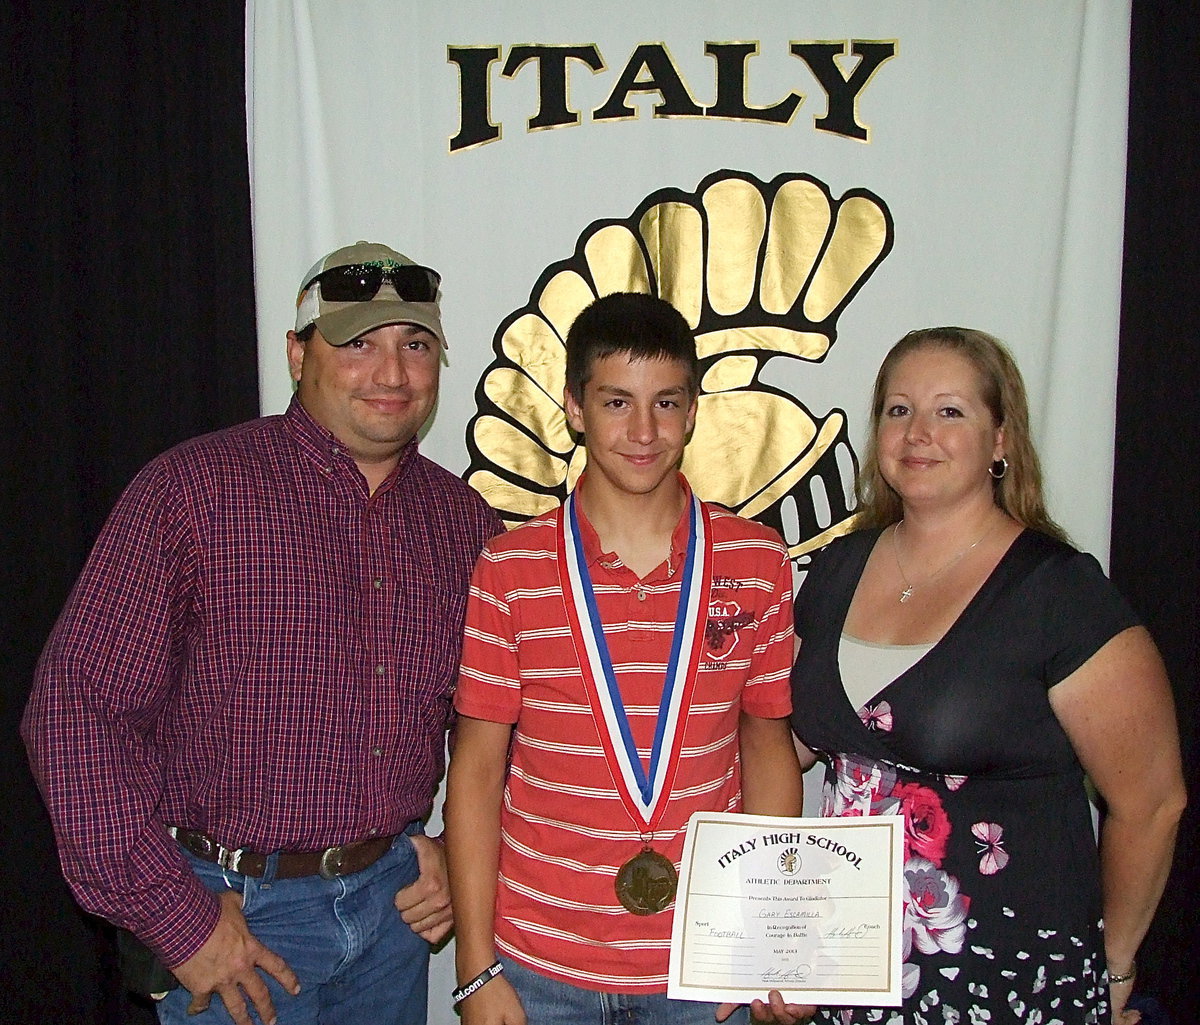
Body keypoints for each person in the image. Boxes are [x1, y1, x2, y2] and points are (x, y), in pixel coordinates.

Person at [22, 241, 503, 1025]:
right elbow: (76, 714)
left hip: (392, 920)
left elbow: (508, 724)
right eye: (357, 343)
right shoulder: (192, 493)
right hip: (236, 923)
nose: (391, 373)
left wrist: (456, 847)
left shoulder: (465, 527)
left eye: (414, 345)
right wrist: (175, 919)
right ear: (296, 352)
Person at [787, 327, 1185, 1024]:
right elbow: (791, 742)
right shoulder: (836, 570)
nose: (918, 433)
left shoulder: (1058, 593)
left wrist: (1113, 968)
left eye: (950, 411)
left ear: (1001, 439)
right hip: (846, 974)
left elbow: (1152, 802)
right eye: (898, 409)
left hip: (1007, 982)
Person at [444, 292, 806, 1025]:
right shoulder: (509, 568)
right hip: (540, 964)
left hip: (704, 966)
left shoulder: (757, 559)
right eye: (616, 401)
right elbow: (477, 770)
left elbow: (766, 743)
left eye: (666, 402)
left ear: (694, 408)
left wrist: (768, 939)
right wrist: (475, 967)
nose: (644, 431)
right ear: (575, 407)